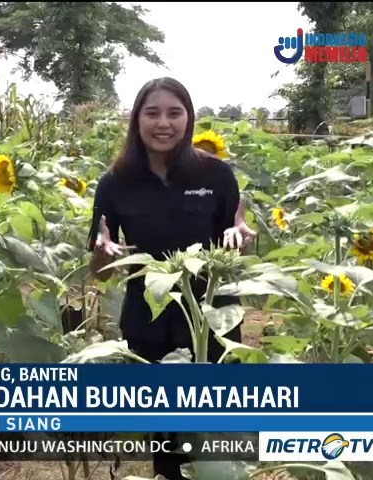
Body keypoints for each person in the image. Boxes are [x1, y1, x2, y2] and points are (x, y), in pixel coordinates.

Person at [86, 77, 255, 479]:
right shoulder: (115, 183)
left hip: (212, 317)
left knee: (218, 427)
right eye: (153, 112)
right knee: (166, 432)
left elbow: (236, 241)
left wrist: (242, 238)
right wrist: (102, 253)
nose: (164, 123)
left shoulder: (215, 175)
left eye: (174, 113)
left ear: (188, 119)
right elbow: (98, 265)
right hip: (149, 313)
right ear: (137, 120)